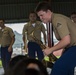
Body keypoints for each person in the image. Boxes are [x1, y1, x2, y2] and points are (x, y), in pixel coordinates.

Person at [35, 1, 76, 75]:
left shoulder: (57, 19)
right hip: (71, 47)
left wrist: (50, 50)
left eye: (42, 15)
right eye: (39, 16)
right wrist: (64, 50)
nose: (40, 18)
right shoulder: (54, 21)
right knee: (68, 70)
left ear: (48, 11)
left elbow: (66, 40)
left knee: (59, 67)